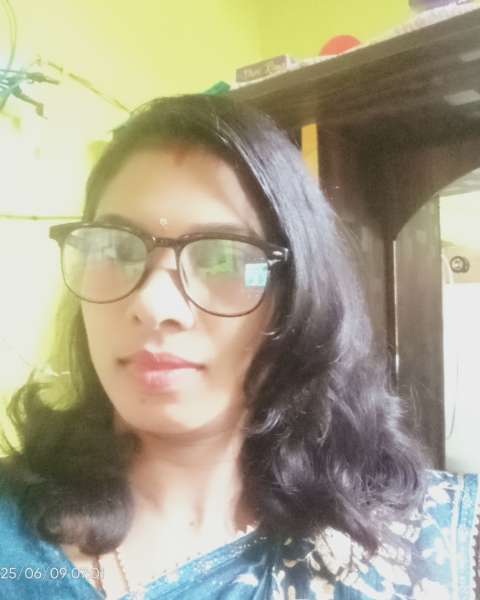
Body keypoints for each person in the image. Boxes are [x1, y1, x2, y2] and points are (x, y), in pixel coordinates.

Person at [0, 93, 478, 600]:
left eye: (223, 259)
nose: (153, 304)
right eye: (114, 248)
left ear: (296, 299)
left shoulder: (437, 545)